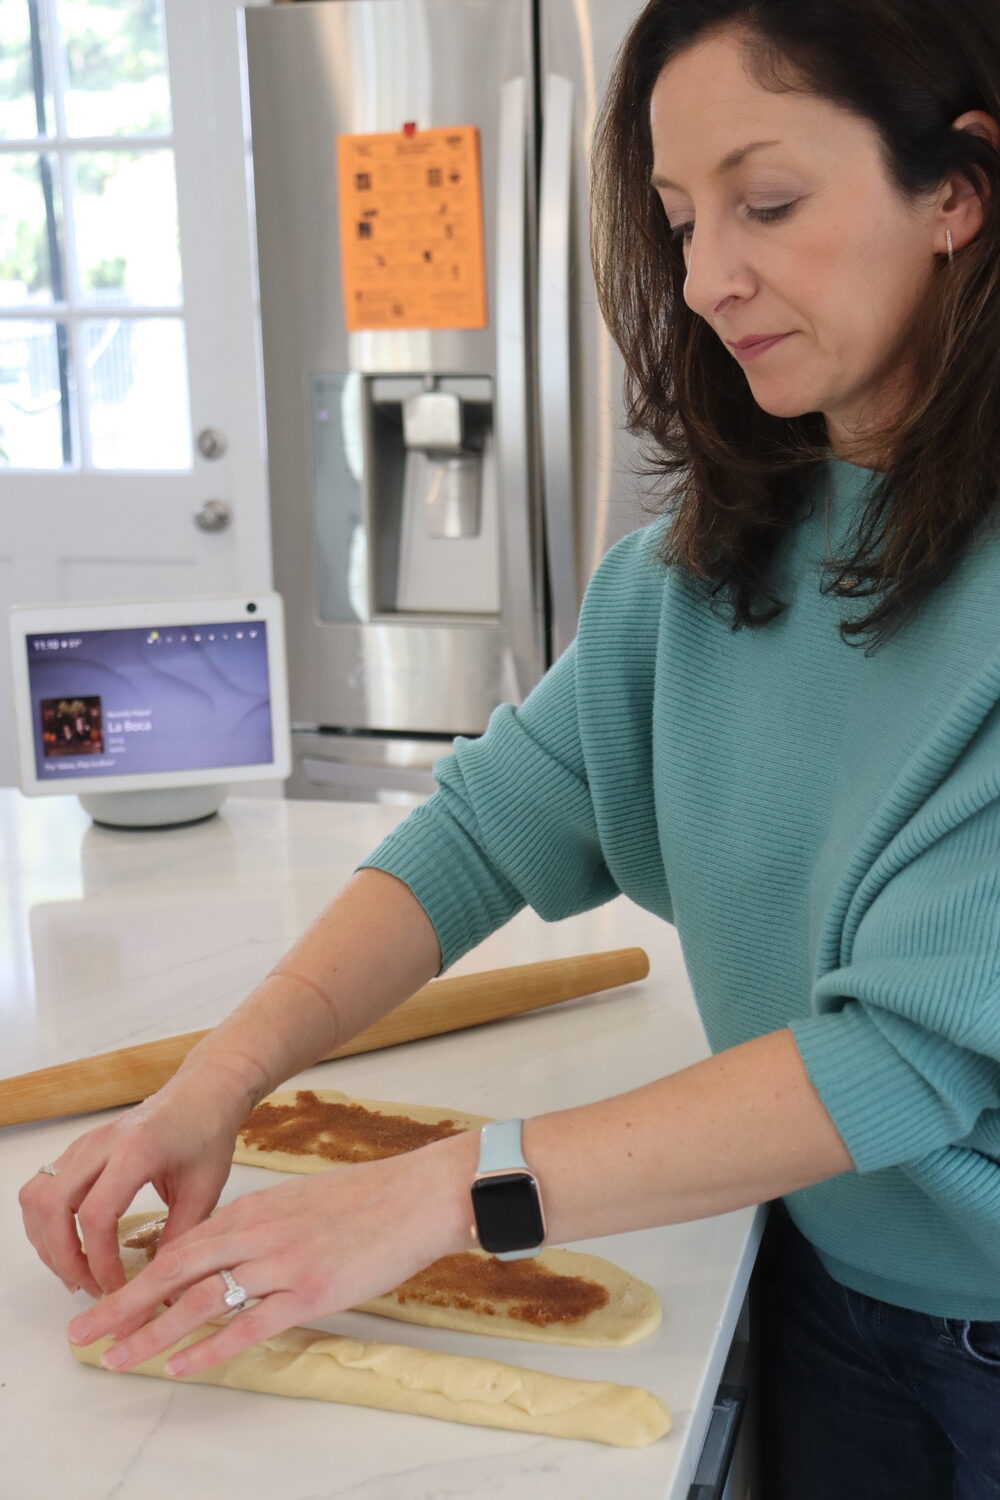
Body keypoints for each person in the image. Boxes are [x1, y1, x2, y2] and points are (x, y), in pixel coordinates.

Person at [20, 1, 1000, 1492]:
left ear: (958, 190)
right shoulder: (692, 571)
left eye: (769, 202)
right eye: (677, 220)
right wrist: (213, 1084)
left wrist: (437, 1198)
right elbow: (485, 829)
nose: (708, 277)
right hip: (803, 1253)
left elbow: (910, 1053)